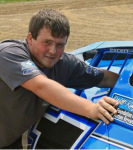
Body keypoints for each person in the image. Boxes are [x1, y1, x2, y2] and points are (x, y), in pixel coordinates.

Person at [0, 9, 119, 149]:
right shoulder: (9, 53)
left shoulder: (65, 63)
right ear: (30, 39)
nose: (53, 51)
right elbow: (41, 86)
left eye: (60, 45)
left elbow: (104, 78)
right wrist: (91, 109)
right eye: (47, 42)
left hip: (10, 142)